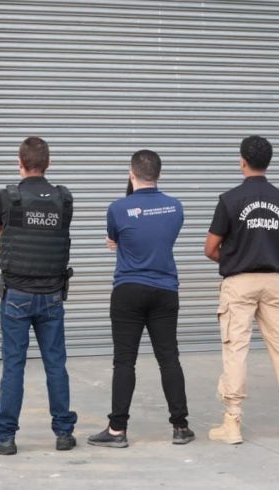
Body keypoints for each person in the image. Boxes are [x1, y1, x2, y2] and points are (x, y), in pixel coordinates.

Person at [204, 135, 279, 444]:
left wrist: (235, 257)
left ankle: (232, 423)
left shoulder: (229, 200)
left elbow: (210, 248)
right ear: (268, 162)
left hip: (239, 283)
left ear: (242, 161)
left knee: (236, 349)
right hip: (275, 281)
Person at [0, 136, 78, 456]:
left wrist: (4, 237)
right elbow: (52, 233)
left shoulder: (8, 197)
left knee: (13, 367)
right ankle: (64, 433)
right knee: (55, 365)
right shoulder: (64, 199)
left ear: (20, 163)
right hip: (51, 296)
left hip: (17, 295)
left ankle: (4, 437)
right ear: (47, 163)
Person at [88, 150, 194, 448]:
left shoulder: (117, 208)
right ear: (158, 174)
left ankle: (117, 430)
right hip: (165, 289)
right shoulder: (175, 207)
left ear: (131, 173)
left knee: (125, 360)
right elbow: (163, 238)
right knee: (168, 357)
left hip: (128, 290)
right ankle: (180, 427)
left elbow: (114, 241)